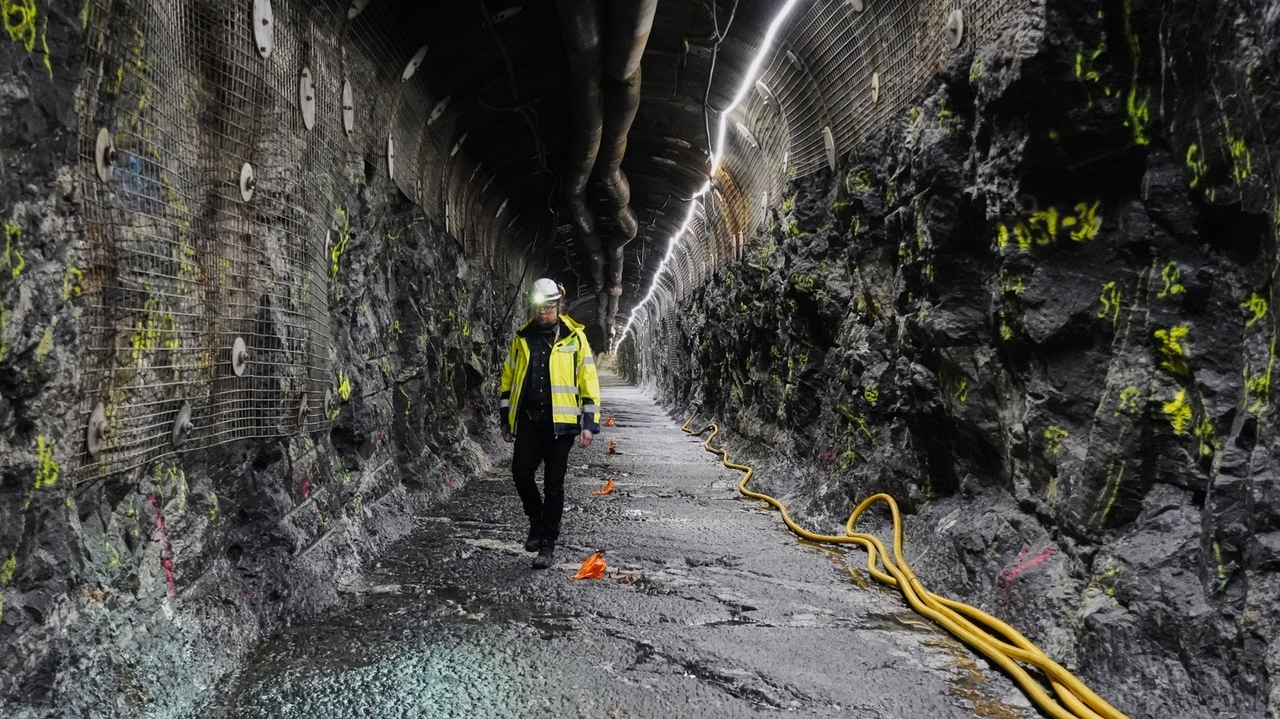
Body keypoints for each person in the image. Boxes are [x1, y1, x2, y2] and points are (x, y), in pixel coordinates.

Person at [499, 278, 602, 569]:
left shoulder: (575, 338)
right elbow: (508, 380)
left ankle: (547, 543)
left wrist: (589, 423)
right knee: (521, 474)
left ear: (558, 305)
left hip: (562, 425)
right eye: (538, 307)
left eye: (548, 306)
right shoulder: (522, 338)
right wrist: (506, 419)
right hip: (530, 421)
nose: (543, 312)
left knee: (554, 485)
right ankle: (536, 519)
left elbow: (588, 380)